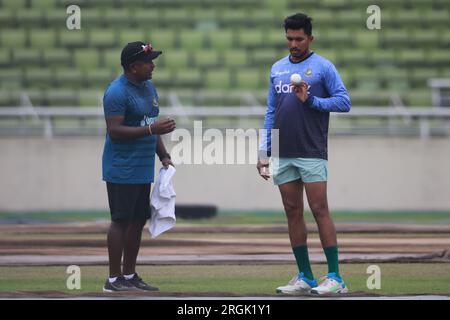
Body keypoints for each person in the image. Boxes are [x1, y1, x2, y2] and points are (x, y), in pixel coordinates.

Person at [257, 13, 351, 295]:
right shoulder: (277, 69)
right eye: (289, 38)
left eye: (299, 38)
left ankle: (335, 277)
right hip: (284, 152)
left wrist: (310, 100)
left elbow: (344, 101)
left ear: (310, 38)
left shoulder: (323, 67)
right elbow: (271, 111)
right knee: (292, 212)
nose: (294, 43)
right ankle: (306, 277)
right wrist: (264, 151)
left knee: (319, 209)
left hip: (311, 150)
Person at [102, 41, 176, 292]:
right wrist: (151, 129)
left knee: (137, 221)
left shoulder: (148, 86)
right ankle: (113, 279)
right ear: (134, 67)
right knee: (120, 221)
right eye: (148, 62)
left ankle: (129, 274)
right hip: (122, 167)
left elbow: (150, 122)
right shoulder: (116, 92)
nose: (152, 65)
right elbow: (115, 131)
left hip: (143, 167)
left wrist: (163, 155)